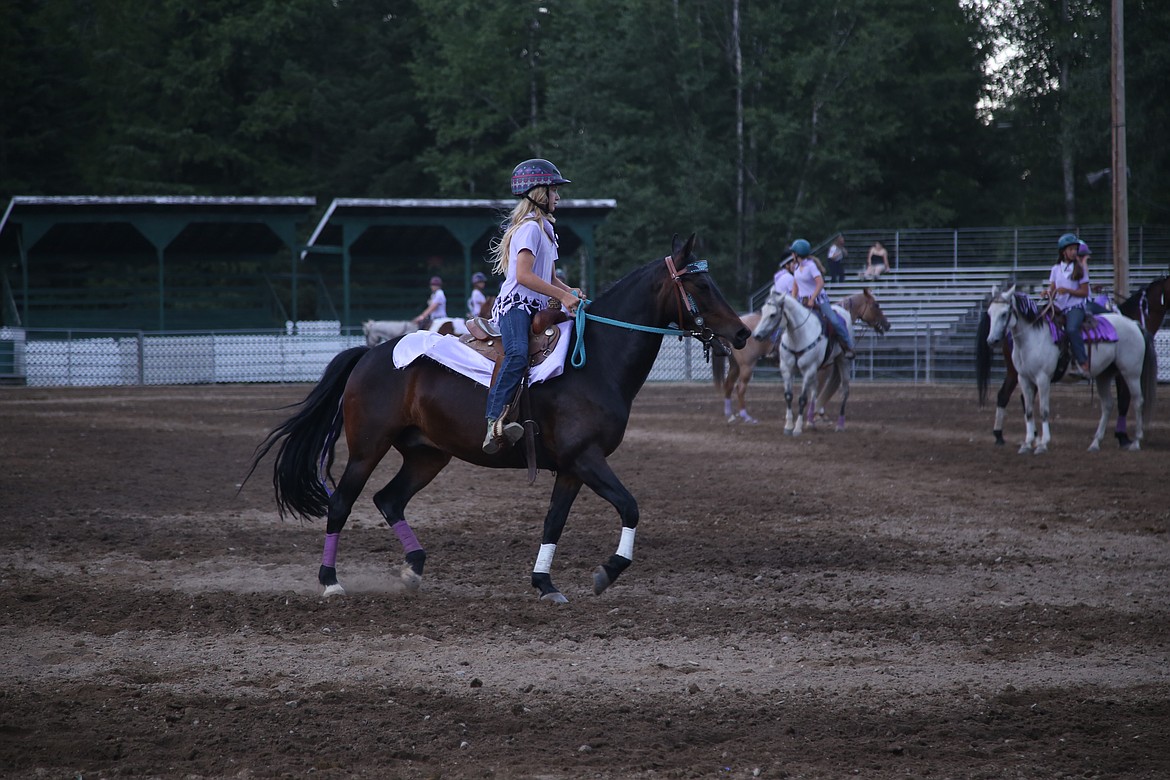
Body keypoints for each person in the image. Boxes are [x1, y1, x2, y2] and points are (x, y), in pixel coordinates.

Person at [482, 158, 585, 454]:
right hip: (517, 306)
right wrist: (563, 297)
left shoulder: (546, 231)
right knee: (516, 355)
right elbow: (523, 276)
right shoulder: (528, 229)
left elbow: (549, 276)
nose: (558, 196)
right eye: (554, 190)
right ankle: (493, 421)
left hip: (536, 305)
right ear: (539, 193)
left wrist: (571, 291)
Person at [789, 238, 855, 358]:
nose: (792, 255)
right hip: (801, 300)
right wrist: (792, 300)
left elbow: (820, 283)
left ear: (797, 254)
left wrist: (812, 299)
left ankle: (848, 346)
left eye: (793, 252)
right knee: (787, 320)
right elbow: (795, 286)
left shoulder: (811, 266)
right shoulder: (796, 267)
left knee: (834, 320)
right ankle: (778, 348)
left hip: (818, 299)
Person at [1044, 232, 1092, 377]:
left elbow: (1084, 292)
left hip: (1075, 307)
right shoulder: (1055, 269)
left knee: (1071, 329)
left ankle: (1082, 361)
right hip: (1058, 307)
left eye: (1075, 249)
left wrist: (1068, 291)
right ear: (1063, 252)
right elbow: (1052, 289)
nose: (1073, 252)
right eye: (1070, 249)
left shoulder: (1080, 269)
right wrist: (1046, 293)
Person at [1078, 241, 1110, 314]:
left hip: (1086, 302)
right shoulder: (1078, 271)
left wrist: (1091, 288)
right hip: (1083, 305)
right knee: (1110, 315)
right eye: (1086, 260)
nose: (1087, 265)